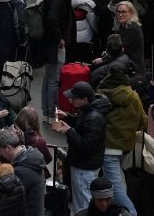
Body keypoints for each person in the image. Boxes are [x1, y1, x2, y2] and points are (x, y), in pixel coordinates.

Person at [95, 68, 146, 216]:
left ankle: (131, 213)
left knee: (115, 189)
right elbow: (143, 122)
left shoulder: (101, 96)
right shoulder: (134, 97)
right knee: (117, 183)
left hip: (107, 147)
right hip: (124, 147)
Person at [51, 81, 106, 214]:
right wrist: (68, 117)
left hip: (85, 167)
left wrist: (69, 131)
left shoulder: (94, 118)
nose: (70, 100)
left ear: (85, 99)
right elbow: (82, 125)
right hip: (84, 165)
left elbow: (86, 146)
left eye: (74, 98)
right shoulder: (88, 111)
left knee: (83, 203)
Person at [0, 127, 46, 216]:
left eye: (0, 150)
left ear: (8, 147)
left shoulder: (21, 171)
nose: (0, 154)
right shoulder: (30, 159)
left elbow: (8, 202)